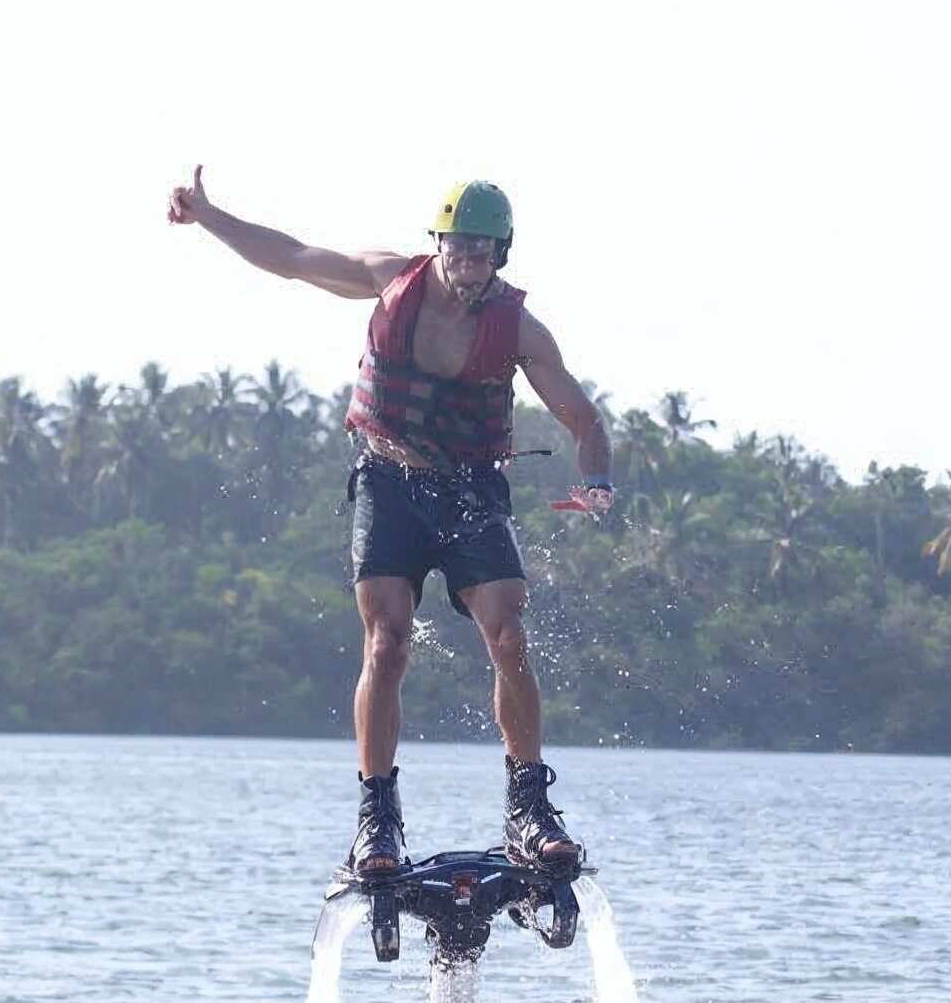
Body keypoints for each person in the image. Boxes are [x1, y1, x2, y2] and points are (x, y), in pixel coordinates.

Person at [167, 167, 615, 878]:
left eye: (483, 249)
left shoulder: (519, 329)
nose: (469, 259)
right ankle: (377, 818)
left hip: (472, 488)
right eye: (459, 244)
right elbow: (292, 258)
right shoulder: (390, 279)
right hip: (389, 478)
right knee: (387, 643)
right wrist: (211, 217)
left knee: (507, 631)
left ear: (502, 253)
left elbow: (582, 417)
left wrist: (595, 480)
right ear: (439, 242)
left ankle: (529, 806)